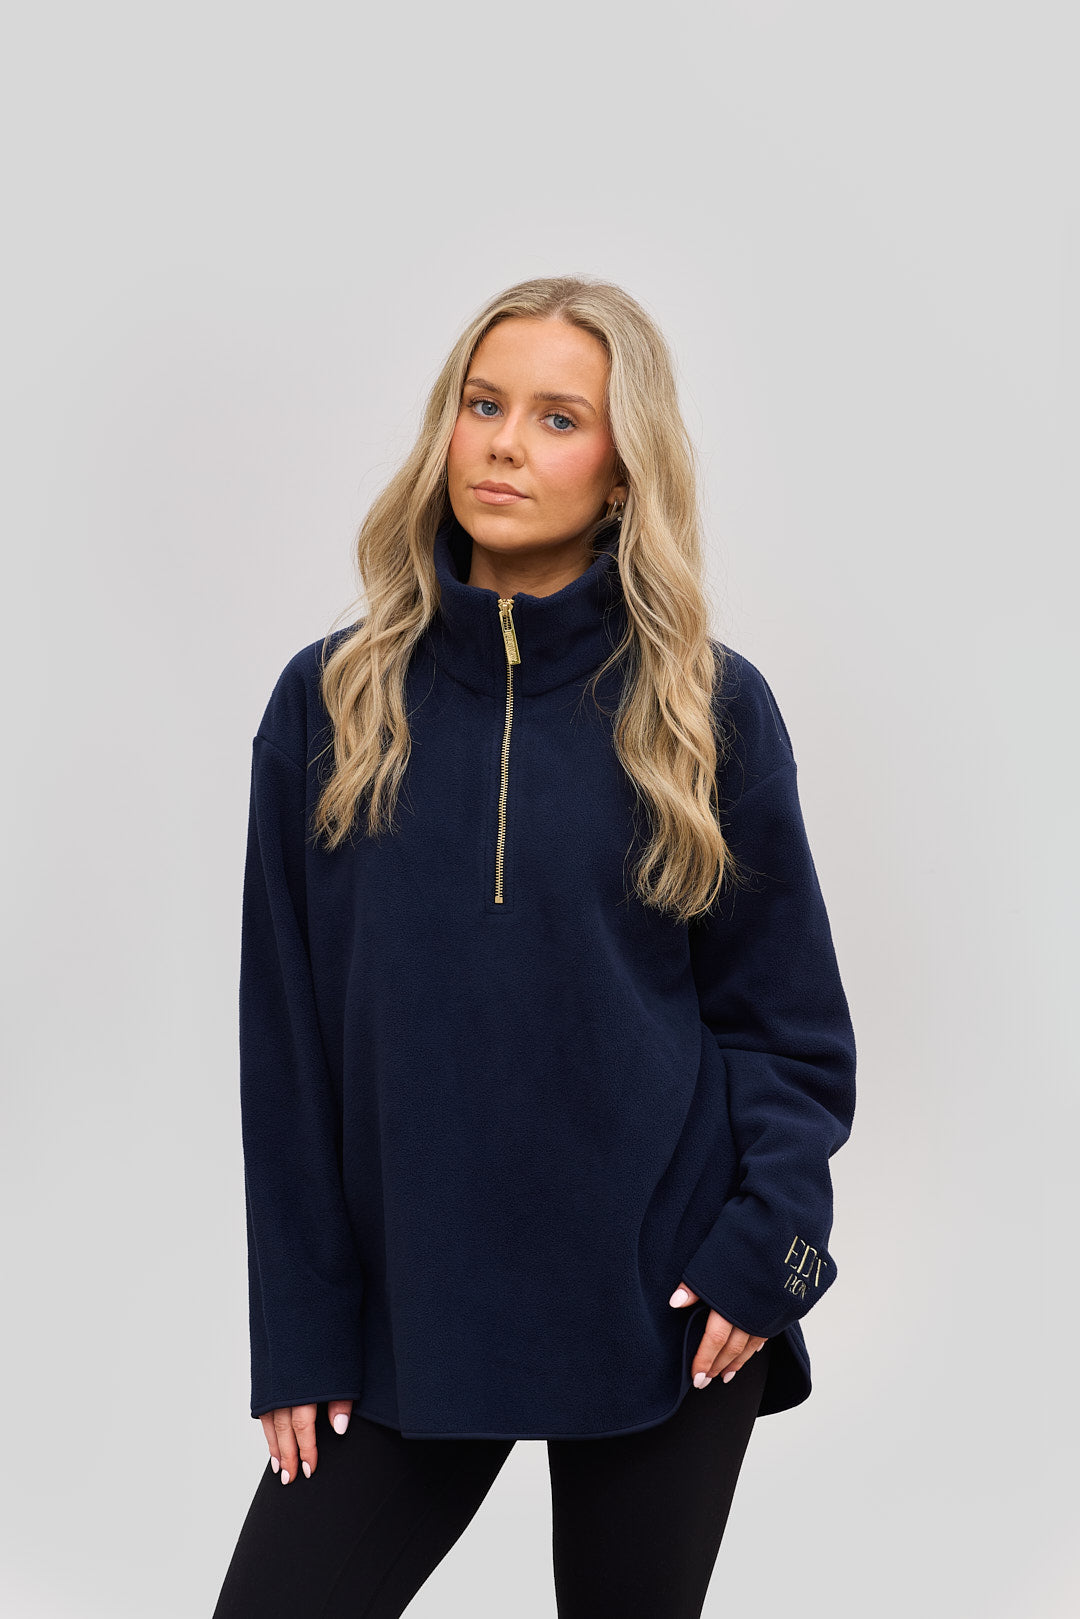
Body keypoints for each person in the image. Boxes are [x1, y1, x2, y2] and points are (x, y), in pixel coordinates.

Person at [212, 275, 857, 1618]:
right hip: (409, 1313)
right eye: (482, 404)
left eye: (559, 418)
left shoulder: (707, 709)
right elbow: (286, 1055)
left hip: (665, 1308)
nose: (504, 444)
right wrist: (299, 1333)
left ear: (624, 472)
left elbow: (789, 1033)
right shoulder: (331, 704)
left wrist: (773, 1250)